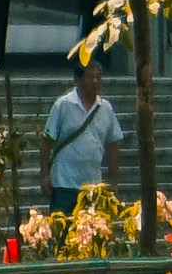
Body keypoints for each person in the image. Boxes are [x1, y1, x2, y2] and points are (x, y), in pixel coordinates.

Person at [43, 66, 124, 208]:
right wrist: (45, 175)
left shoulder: (106, 108)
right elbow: (47, 141)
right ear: (78, 80)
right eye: (90, 77)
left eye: (98, 77)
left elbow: (113, 146)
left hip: (93, 186)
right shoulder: (63, 105)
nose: (95, 81)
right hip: (64, 183)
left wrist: (114, 182)